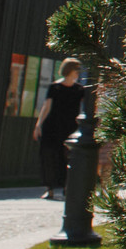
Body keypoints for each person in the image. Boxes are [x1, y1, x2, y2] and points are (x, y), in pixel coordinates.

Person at [32, 58, 88, 200]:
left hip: (70, 128)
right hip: (52, 126)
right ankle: (49, 189)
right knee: (49, 157)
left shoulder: (79, 90)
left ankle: (66, 188)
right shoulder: (55, 87)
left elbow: (85, 108)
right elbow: (46, 107)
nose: (78, 74)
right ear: (70, 70)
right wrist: (39, 125)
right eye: (76, 71)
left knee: (67, 158)